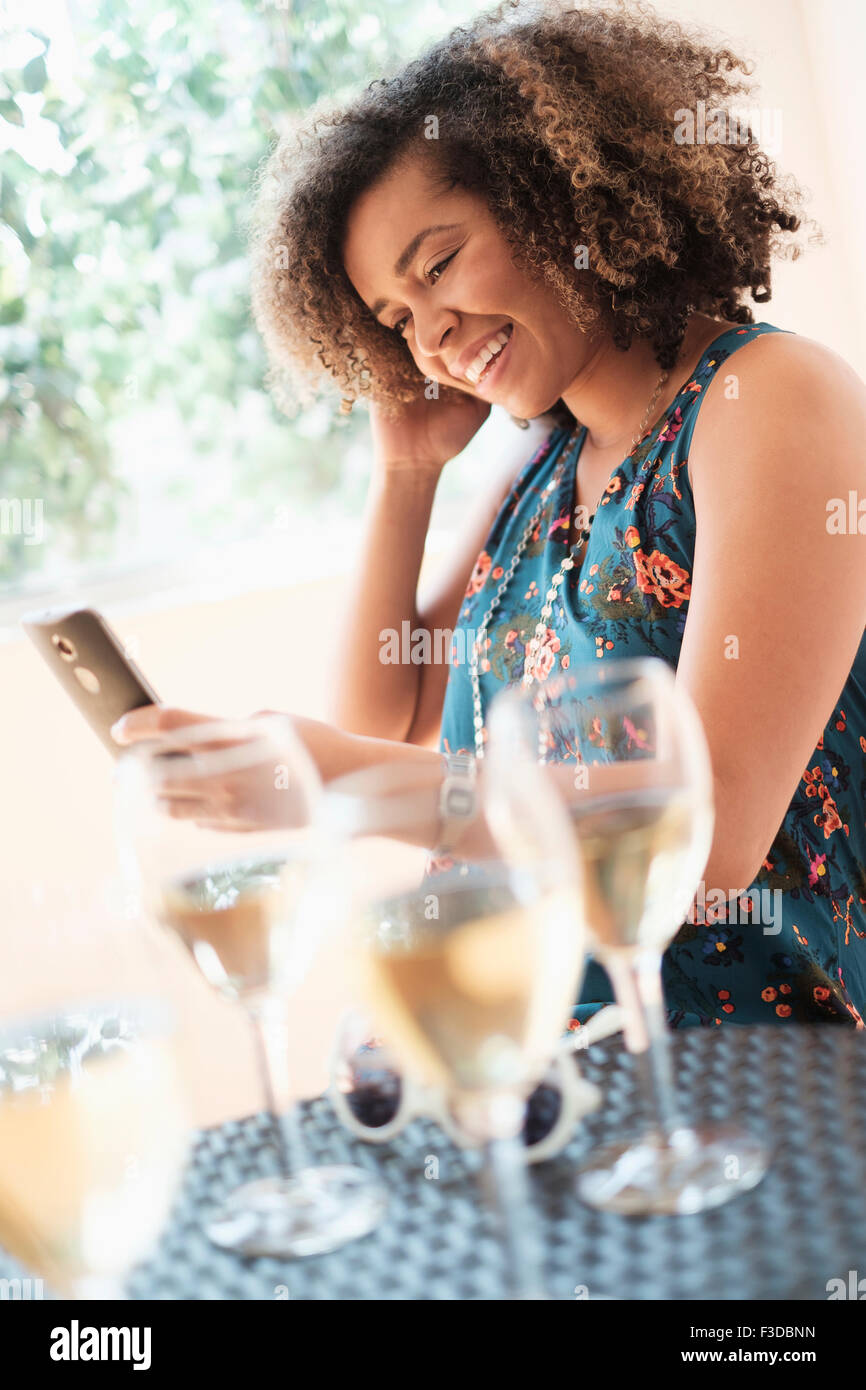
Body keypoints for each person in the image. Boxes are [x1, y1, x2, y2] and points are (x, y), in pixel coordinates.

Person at [114, 0, 866, 1027]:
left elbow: (705, 835)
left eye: (438, 264)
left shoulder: (766, 397)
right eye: (397, 319)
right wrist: (405, 472)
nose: (431, 335)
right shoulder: (546, 461)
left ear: (556, 197)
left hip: (773, 1080)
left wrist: (337, 784)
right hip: (560, 1060)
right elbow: (386, 705)